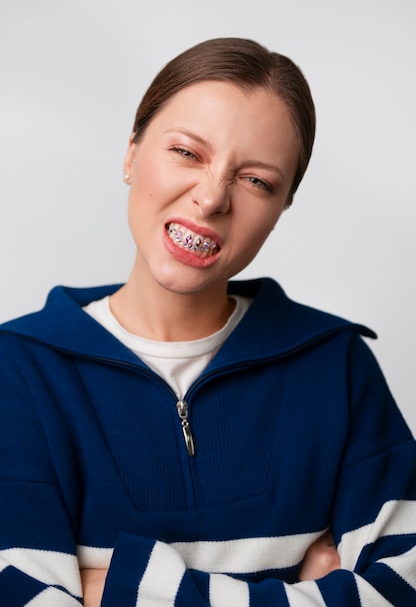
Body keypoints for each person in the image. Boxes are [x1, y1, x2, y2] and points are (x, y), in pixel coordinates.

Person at [0, 37, 415, 607]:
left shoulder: (336, 366)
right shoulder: (17, 370)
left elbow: (405, 587)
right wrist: (305, 592)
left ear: (282, 208)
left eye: (257, 181)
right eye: (187, 153)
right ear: (130, 154)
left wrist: (129, 591)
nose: (212, 197)